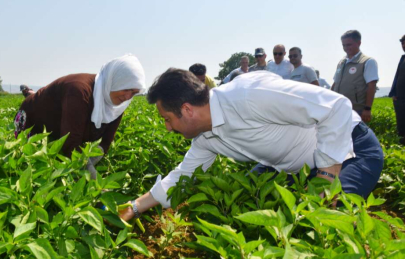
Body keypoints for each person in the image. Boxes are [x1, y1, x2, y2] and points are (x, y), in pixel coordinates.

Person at [119, 69, 383, 221]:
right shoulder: (206, 137)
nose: (167, 128)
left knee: (326, 219)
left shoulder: (248, 96)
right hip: (294, 166)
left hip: (350, 149)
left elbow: (335, 107)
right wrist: (133, 207)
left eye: (167, 119)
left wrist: (326, 179)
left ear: (186, 109)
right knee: (245, 201)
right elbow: (181, 176)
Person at [14, 54, 146, 177]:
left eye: (134, 92)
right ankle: (31, 95)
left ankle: (32, 92)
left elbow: (105, 142)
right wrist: (95, 184)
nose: (128, 96)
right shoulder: (79, 92)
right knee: (26, 165)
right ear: (114, 81)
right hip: (34, 117)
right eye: (126, 89)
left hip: (62, 122)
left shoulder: (119, 103)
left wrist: (87, 165)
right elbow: (70, 145)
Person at [331, 30, 379, 123]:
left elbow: (371, 86)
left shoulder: (367, 61)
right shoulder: (342, 62)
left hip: (357, 110)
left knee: (356, 137)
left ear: (359, 43)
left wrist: (367, 109)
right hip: (339, 109)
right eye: (343, 45)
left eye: (349, 45)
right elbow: (335, 83)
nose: (346, 48)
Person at [388, 35, 405, 145]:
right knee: (402, 126)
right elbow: (397, 77)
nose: (404, 45)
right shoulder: (403, 58)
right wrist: (393, 93)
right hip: (400, 99)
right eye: (402, 43)